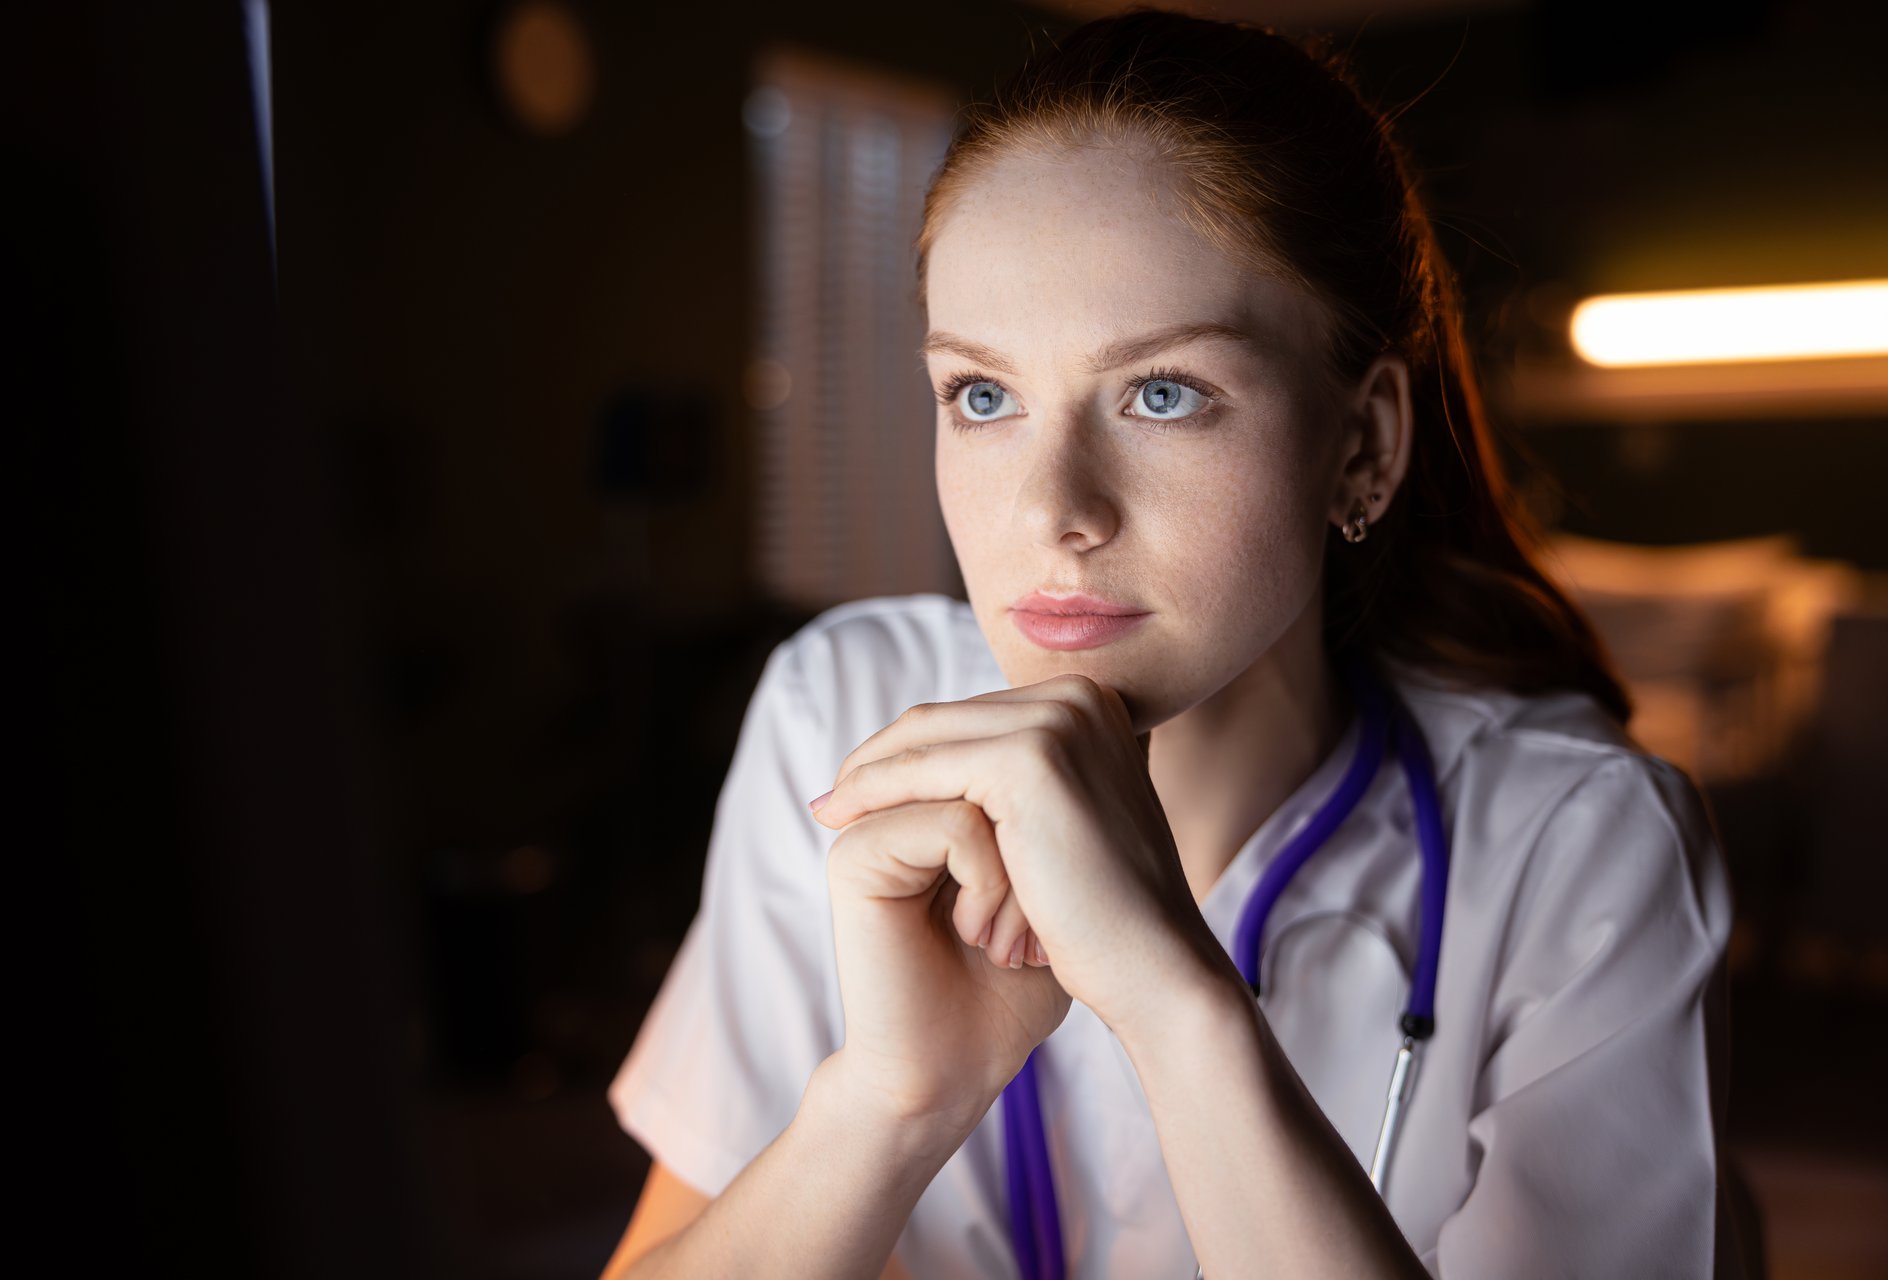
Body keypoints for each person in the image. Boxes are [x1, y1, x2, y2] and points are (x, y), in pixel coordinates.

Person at [602, 9, 1744, 1278]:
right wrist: (888, 1102)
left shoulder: (1580, 839)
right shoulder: (843, 710)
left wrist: (1177, 1005)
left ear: (1361, 444)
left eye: (1162, 394)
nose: (1052, 511)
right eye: (982, 395)